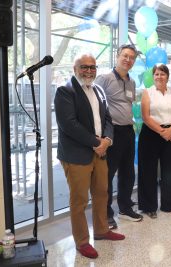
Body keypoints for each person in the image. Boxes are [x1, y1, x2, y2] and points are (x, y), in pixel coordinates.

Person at [54, 54, 125, 259]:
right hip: (77, 155)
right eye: (84, 67)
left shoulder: (99, 90)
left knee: (102, 192)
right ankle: (82, 242)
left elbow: (108, 120)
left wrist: (107, 141)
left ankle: (102, 230)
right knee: (80, 200)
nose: (89, 71)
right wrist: (97, 143)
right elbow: (69, 125)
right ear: (75, 68)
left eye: (93, 67)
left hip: (100, 152)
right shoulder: (65, 91)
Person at [95, 44, 143, 229]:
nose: (128, 60)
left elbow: (128, 105)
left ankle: (124, 207)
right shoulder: (104, 78)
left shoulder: (131, 82)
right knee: (108, 173)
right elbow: (95, 105)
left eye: (132, 57)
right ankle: (105, 212)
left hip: (128, 131)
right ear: (117, 56)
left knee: (128, 172)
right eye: (125, 56)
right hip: (111, 133)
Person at [138, 64, 171, 219]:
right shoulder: (147, 92)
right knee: (148, 171)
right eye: (156, 74)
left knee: (169, 171)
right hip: (151, 134)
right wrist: (162, 132)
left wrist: (170, 131)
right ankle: (148, 206)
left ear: (168, 76)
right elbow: (146, 116)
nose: (159, 77)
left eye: (162, 74)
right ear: (153, 76)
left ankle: (169, 205)